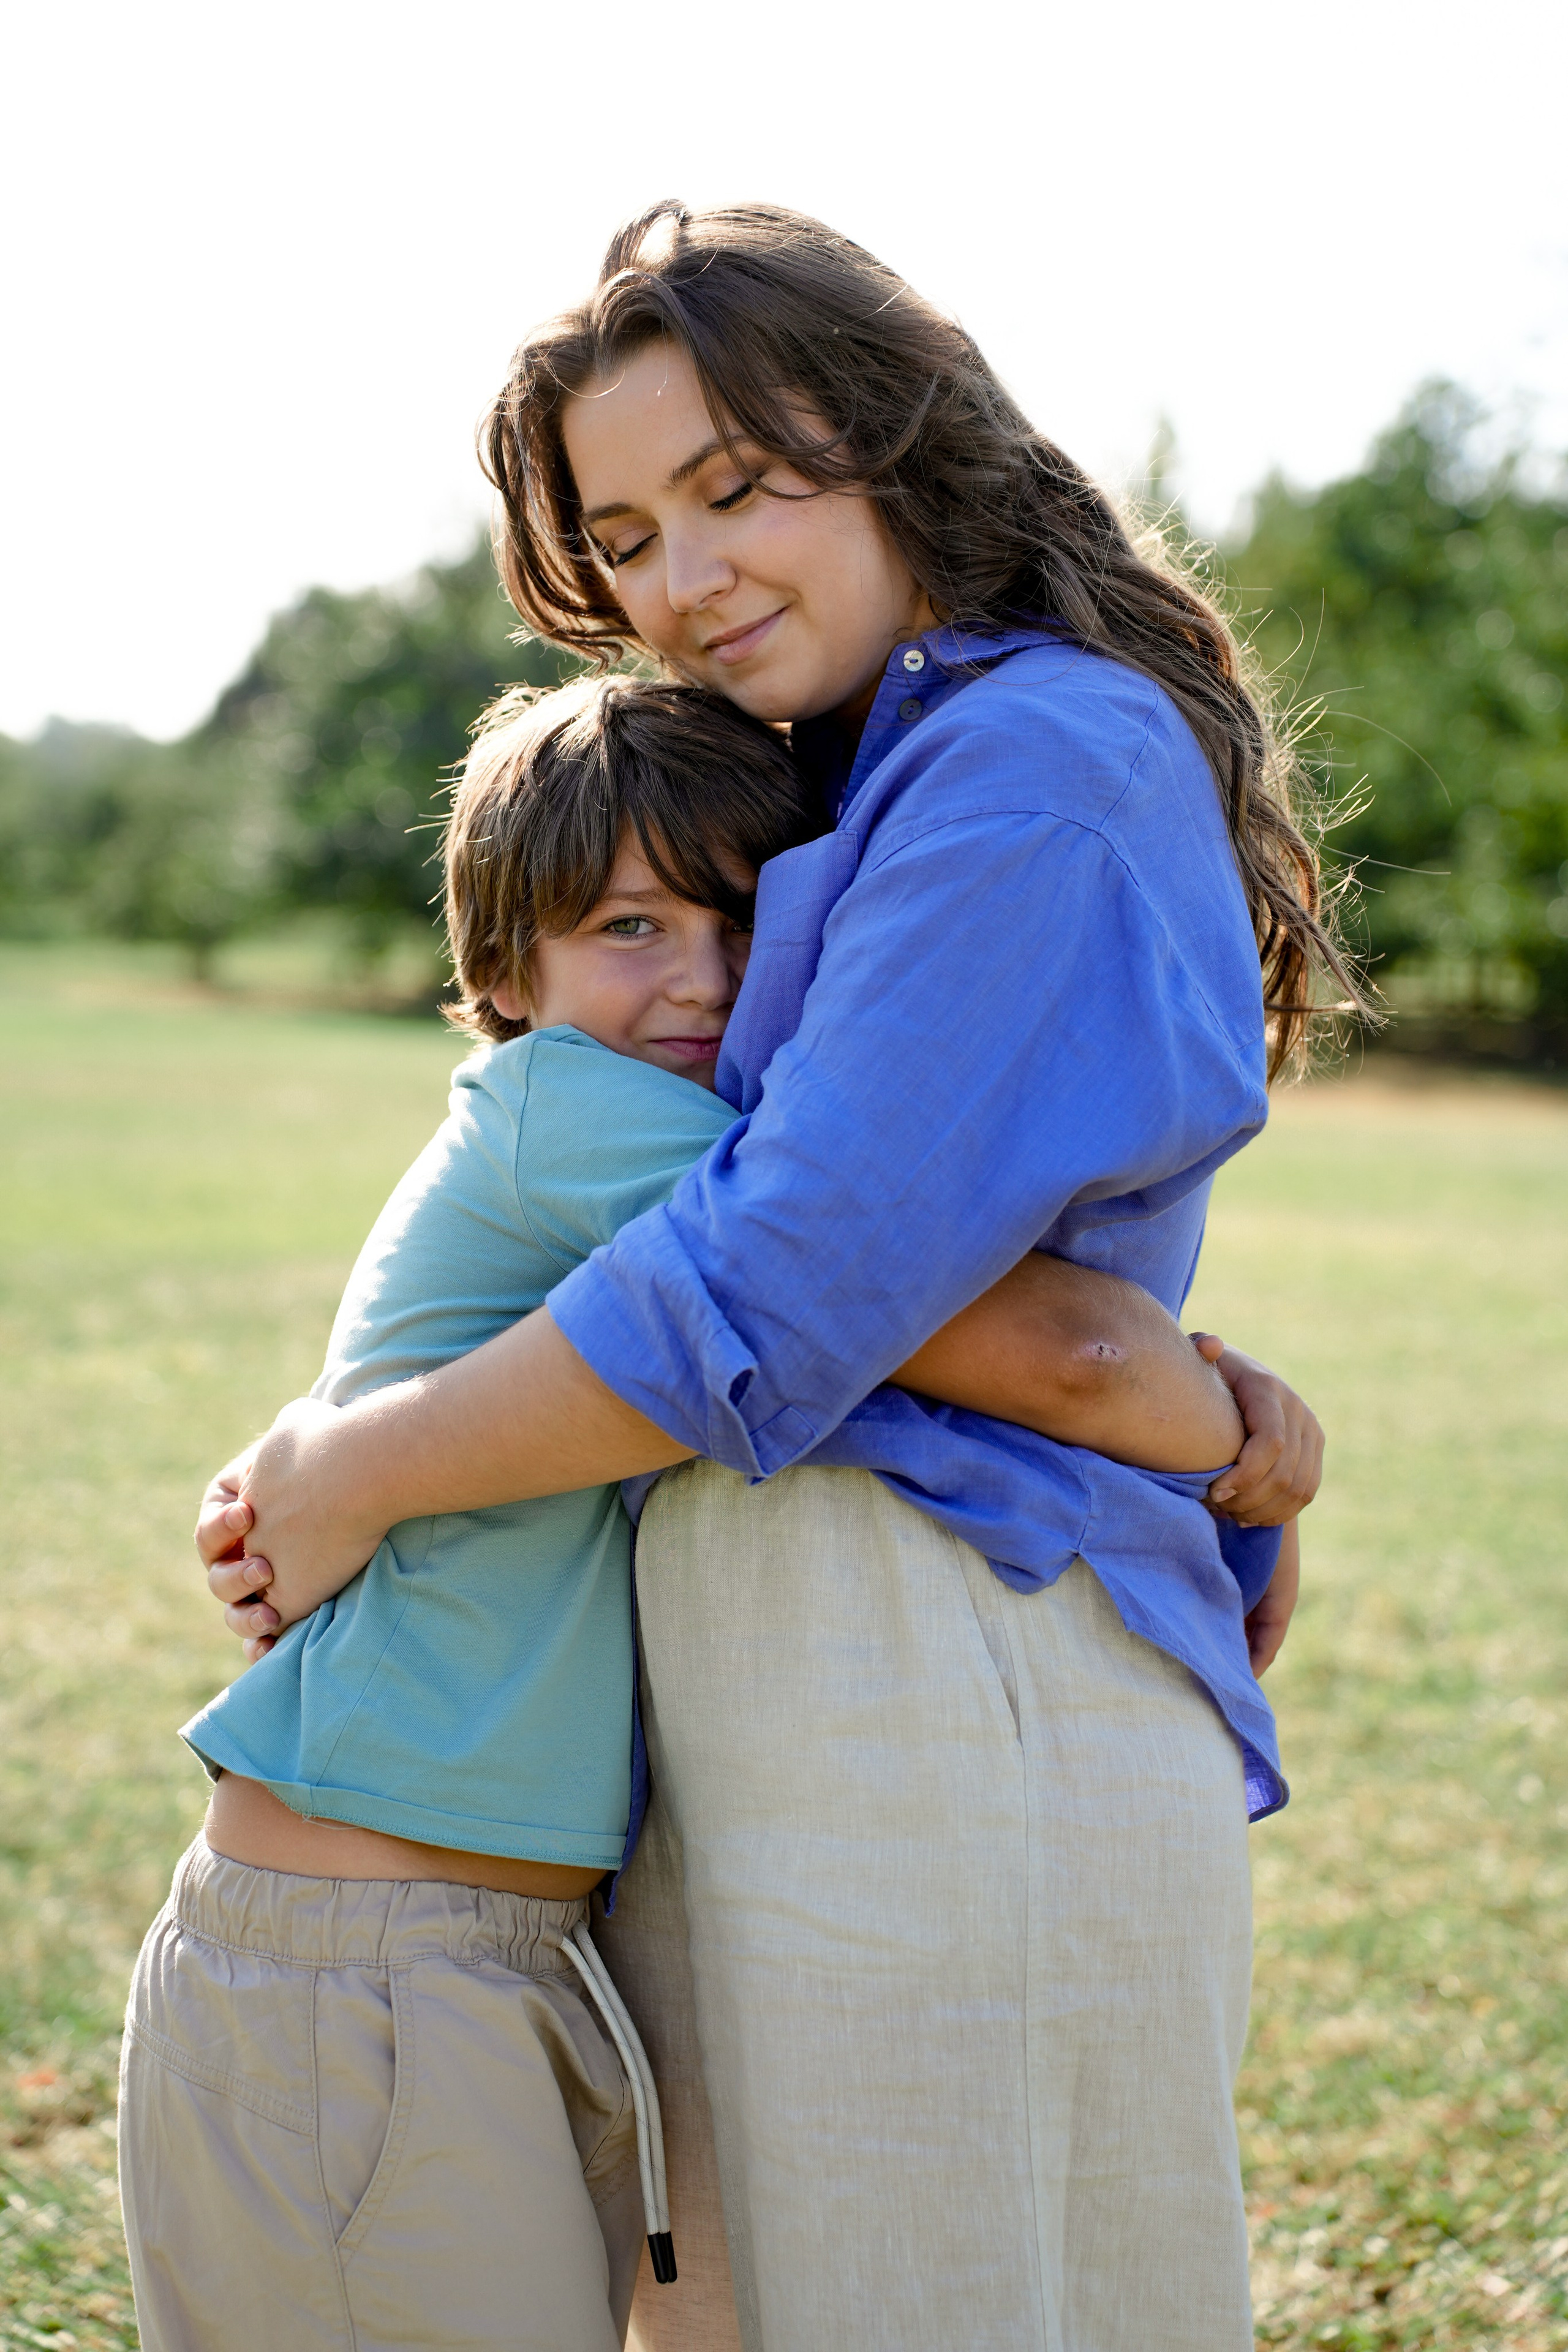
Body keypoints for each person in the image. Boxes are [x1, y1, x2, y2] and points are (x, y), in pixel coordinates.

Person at [200, 202, 1340, 2351]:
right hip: (811, 1674)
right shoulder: (872, 757)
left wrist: (359, 1471)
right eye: (626, 536)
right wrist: (1205, 1403)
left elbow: (789, 1275)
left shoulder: (1035, 759)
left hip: (939, 1665)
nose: (685, 579)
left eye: (741, 489)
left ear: (904, 439)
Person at [129, 672, 1261, 2352]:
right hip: (362, 1963)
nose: (700, 981)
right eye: (628, 929)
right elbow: (1040, 1348)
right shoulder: (573, 1113)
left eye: (740, 922)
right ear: (507, 978)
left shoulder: (624, 1123)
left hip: (473, 1946)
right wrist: (1249, 1432)